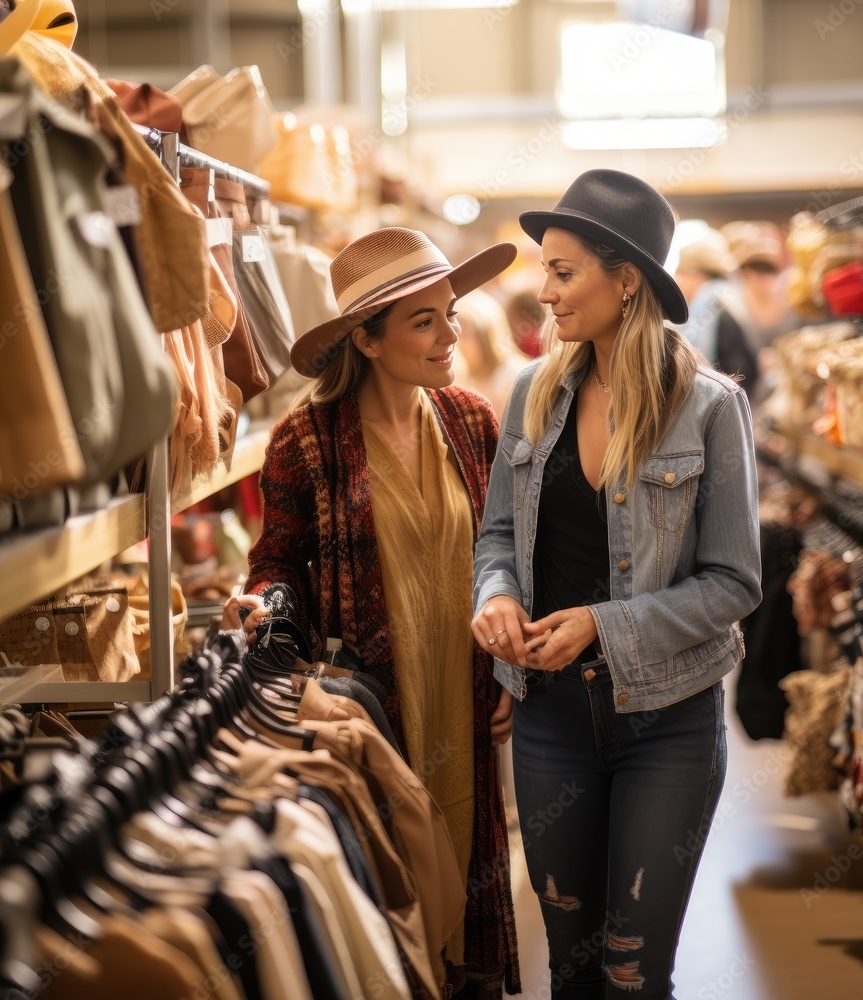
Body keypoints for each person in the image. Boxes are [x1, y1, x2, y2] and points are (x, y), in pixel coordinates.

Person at [471, 170, 762, 999]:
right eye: (544, 270)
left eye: (563, 272)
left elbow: (734, 583)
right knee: (570, 970)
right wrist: (494, 596)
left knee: (633, 974)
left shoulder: (708, 408)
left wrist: (604, 625)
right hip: (551, 718)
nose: (544, 292)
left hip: (667, 721)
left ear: (624, 278)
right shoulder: (533, 393)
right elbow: (497, 536)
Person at [239, 227, 521, 999]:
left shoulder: (471, 421)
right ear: (365, 340)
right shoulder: (307, 440)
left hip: (462, 695)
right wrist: (266, 612)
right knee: (393, 874)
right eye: (423, 321)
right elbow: (277, 561)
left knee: (467, 860)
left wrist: (509, 667)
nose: (451, 334)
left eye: (451, 312)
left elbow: (510, 560)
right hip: (371, 704)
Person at [673, 226, 759, 398]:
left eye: (681, 273)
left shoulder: (713, 309)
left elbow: (738, 370)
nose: (677, 281)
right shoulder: (729, 299)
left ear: (695, 274)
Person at [454, 287, 530, 420]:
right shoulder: (464, 379)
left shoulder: (514, 375)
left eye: (466, 334)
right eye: (457, 335)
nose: (459, 343)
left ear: (486, 335)